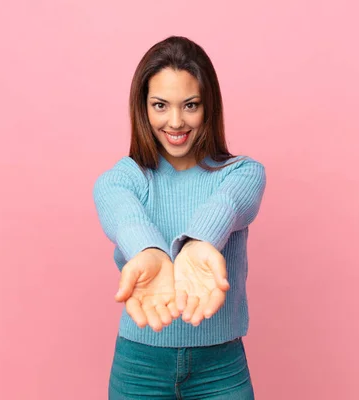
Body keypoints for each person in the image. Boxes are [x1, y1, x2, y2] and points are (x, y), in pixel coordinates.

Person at [93, 35, 266, 400]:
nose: (175, 122)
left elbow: (226, 206)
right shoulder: (127, 177)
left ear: (209, 107)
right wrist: (147, 250)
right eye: (160, 105)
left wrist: (198, 243)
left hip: (220, 367)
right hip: (139, 366)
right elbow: (117, 207)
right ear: (143, 108)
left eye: (190, 105)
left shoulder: (241, 173)